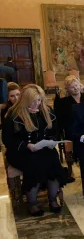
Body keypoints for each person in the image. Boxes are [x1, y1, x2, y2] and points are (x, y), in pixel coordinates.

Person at [2, 85, 66, 216]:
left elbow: (55, 131)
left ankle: (53, 199)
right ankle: (32, 203)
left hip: (43, 149)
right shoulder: (13, 114)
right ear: (25, 100)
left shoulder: (47, 110)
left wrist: (52, 142)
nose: (36, 104)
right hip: (21, 152)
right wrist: (27, 145)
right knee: (34, 163)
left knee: (53, 161)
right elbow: (8, 140)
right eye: (33, 101)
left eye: (39, 100)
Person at [54, 76, 84, 140]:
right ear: (67, 89)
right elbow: (60, 119)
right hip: (72, 129)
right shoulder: (63, 101)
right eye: (72, 87)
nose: (75, 88)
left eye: (76, 85)